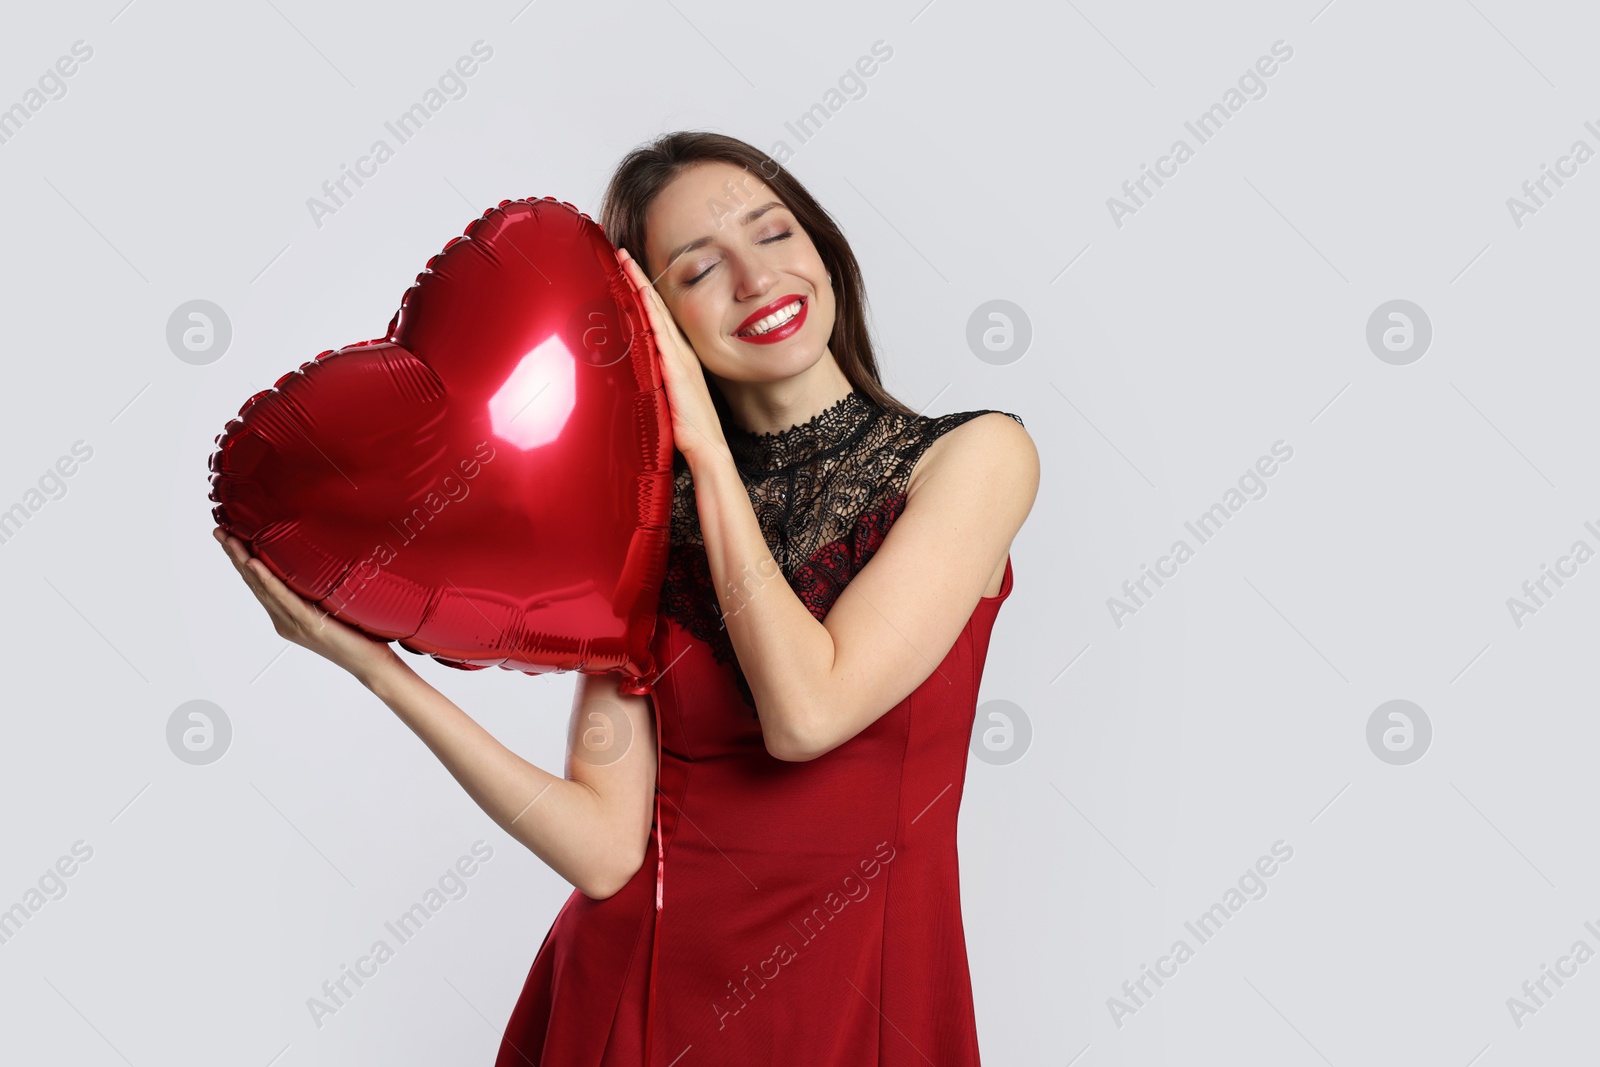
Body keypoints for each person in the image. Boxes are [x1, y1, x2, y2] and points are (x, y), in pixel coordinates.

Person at [215, 130, 1038, 1065]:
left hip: (856, 1009)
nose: (756, 279)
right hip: (634, 1003)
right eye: (699, 270)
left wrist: (705, 455)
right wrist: (376, 670)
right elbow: (606, 847)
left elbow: (808, 713)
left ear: (822, 244)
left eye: (773, 234)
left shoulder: (972, 459)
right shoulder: (648, 521)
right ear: (654, 320)